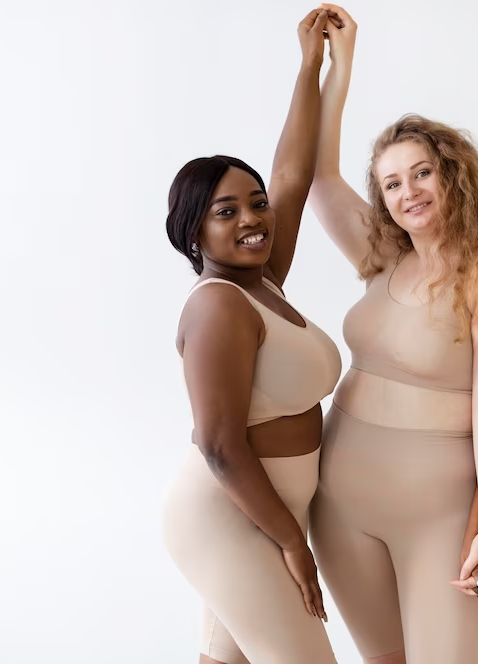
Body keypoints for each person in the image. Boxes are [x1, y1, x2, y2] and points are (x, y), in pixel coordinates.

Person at [305, 5, 478, 663]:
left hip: (436, 508)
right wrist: (339, 66)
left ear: (450, 173)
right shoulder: (384, 252)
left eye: (421, 173)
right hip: (341, 496)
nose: (408, 191)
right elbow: (321, 180)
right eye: (391, 182)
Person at [159, 9, 342, 664]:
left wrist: (309, 65)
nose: (253, 218)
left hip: (262, 514)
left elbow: (291, 176)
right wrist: (293, 541)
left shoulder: (261, 285)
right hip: (229, 518)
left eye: (255, 203)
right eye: (226, 211)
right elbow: (218, 443)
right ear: (193, 233)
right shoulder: (219, 308)